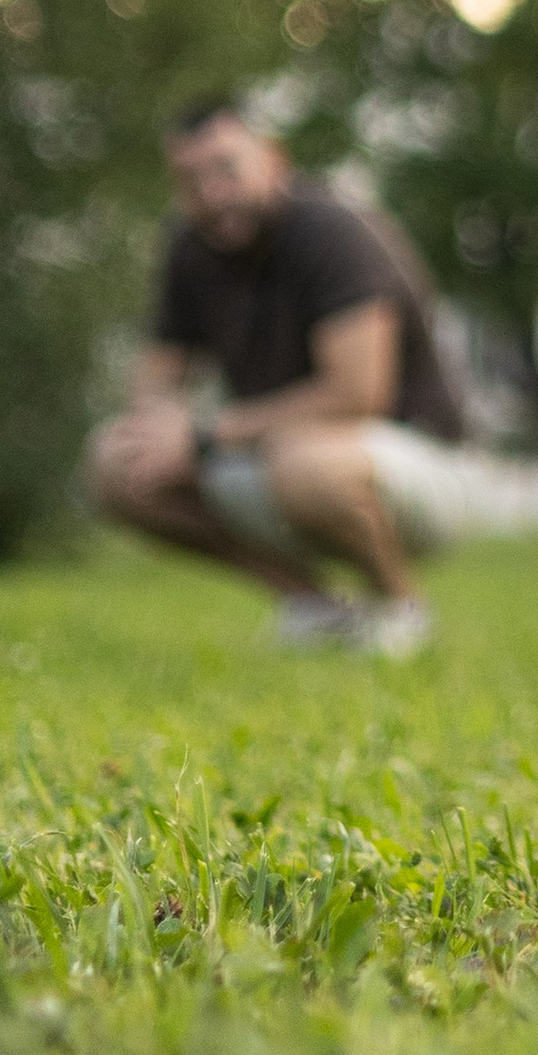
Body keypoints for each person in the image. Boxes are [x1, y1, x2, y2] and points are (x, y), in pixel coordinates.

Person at [84, 96, 472, 653]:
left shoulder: (334, 234)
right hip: (278, 457)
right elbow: (158, 374)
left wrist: (200, 436)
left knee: (304, 459)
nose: (212, 195)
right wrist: (156, 422)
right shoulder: (191, 248)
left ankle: (400, 609)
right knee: (117, 462)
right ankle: (314, 607)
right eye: (191, 180)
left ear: (272, 159)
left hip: (421, 466)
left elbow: (357, 395)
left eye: (226, 169)